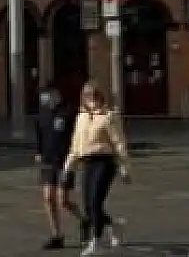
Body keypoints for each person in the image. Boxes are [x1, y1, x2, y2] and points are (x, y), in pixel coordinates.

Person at [63, 81, 129, 256]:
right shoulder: (81, 117)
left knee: (95, 201)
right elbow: (75, 145)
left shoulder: (109, 116)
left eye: (94, 94)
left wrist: (124, 167)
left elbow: (119, 143)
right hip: (87, 162)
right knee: (88, 206)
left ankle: (96, 241)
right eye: (87, 95)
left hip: (104, 162)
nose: (90, 98)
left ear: (100, 96)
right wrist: (68, 167)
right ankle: (114, 225)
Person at [34, 83, 85, 249]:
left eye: (48, 94)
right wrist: (38, 152)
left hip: (65, 161)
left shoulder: (68, 112)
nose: (45, 98)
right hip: (48, 161)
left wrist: (78, 155)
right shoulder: (42, 114)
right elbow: (40, 134)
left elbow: (77, 135)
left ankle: (84, 220)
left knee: (63, 201)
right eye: (43, 96)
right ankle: (56, 235)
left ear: (56, 94)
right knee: (48, 198)